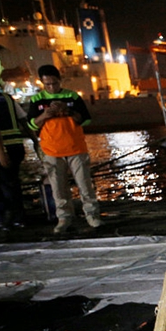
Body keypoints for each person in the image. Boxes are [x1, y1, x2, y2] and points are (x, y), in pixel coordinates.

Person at [28, 65, 102, 233]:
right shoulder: (37, 100)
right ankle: (64, 218)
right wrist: (45, 114)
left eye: (54, 83)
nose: (51, 87)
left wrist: (68, 111)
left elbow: (86, 119)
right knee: (58, 188)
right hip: (52, 150)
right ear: (42, 83)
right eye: (47, 84)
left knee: (85, 184)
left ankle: (92, 216)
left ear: (59, 80)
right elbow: (31, 124)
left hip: (76, 148)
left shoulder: (72, 96)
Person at [0, 89, 29, 230]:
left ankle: (4, 219)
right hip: (15, 147)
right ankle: (18, 219)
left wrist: (1, 153)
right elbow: (23, 120)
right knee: (11, 184)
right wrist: (36, 142)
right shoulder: (6, 98)